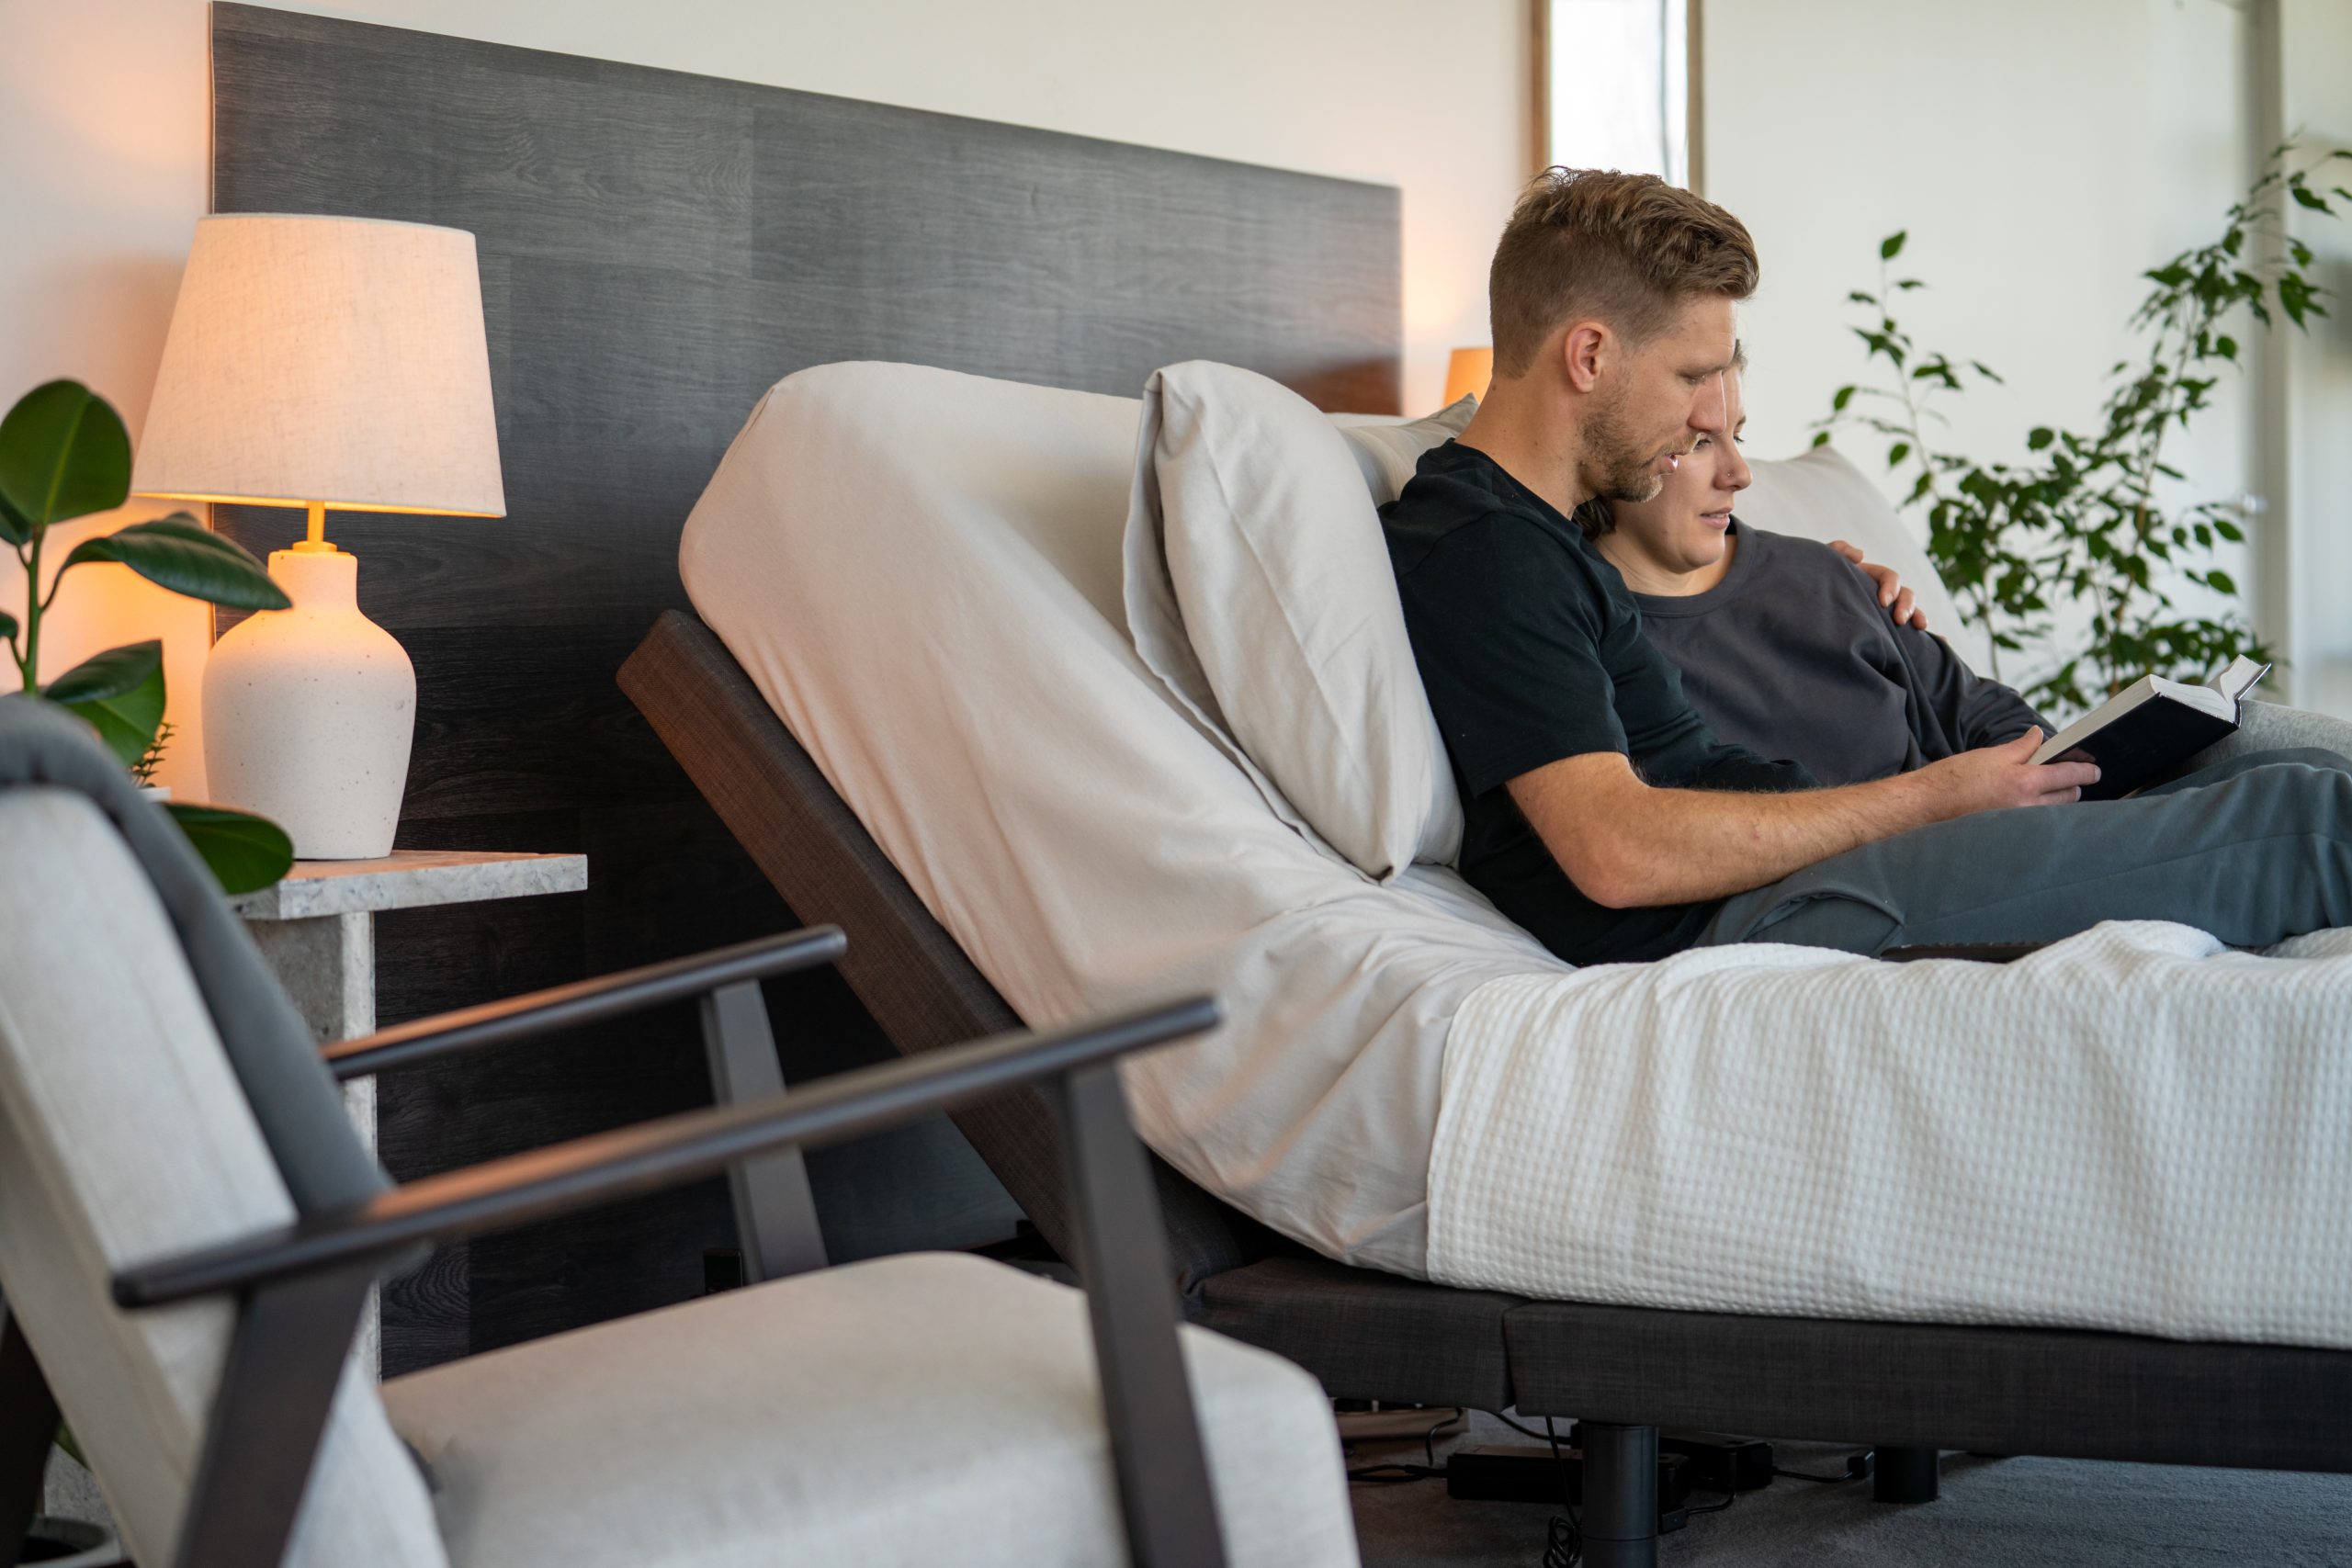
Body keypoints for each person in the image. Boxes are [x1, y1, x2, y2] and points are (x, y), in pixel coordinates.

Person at [1379, 166, 2352, 964]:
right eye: (1688, 377)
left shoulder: (1550, 537)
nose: (1702, 421)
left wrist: (1833, 590)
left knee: (2291, 763)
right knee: (2312, 816)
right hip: (1753, 926)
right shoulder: (1485, 548)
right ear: (1588, 355)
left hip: (1799, 881)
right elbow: (1615, 853)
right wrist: (1935, 799)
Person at [1578, 359, 2048, 786]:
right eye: (1699, 442)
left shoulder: (1823, 572)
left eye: (1736, 437)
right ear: (1612, 450)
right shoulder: (1580, 638)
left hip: (1990, 839)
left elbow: (1987, 714)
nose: (1739, 473)